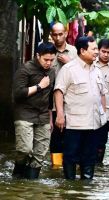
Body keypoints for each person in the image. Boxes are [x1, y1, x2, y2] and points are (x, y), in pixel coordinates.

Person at [54, 36, 107, 180]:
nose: (97, 52)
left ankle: (85, 189)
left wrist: (104, 114)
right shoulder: (69, 69)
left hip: (94, 124)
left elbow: (102, 94)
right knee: (70, 157)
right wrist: (60, 114)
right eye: (94, 49)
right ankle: (70, 188)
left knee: (90, 158)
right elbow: (59, 91)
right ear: (83, 51)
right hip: (74, 123)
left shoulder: (97, 70)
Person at [12, 42, 57, 179]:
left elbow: (49, 98)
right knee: (25, 150)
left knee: (40, 154)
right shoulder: (25, 69)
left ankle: (31, 185)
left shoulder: (52, 72)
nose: (48, 63)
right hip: (25, 114)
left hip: (43, 115)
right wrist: (39, 86)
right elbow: (18, 93)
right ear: (38, 56)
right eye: (46, 60)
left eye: (51, 60)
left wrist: (50, 120)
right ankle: (17, 176)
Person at [50, 22, 77, 169]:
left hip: (72, 103)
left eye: (61, 34)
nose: (58, 37)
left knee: (72, 137)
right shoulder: (47, 51)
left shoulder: (74, 51)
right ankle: (56, 169)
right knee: (55, 138)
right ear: (51, 35)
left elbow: (83, 72)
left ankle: (71, 167)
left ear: (66, 33)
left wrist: (69, 63)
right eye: (55, 34)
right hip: (52, 103)